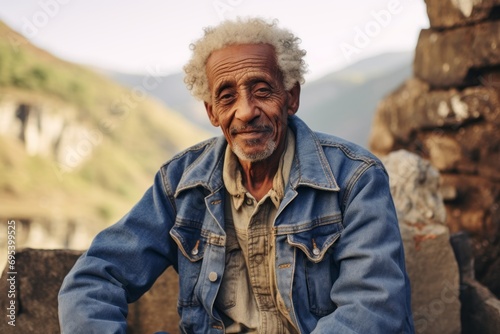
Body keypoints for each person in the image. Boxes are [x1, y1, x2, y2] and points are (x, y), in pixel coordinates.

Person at [59, 17, 414, 333]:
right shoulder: (181, 183)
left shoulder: (354, 178)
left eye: (262, 90)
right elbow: (94, 278)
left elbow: (373, 308)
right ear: (212, 112)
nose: (246, 112)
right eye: (227, 97)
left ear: (291, 98)